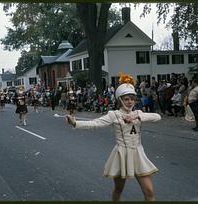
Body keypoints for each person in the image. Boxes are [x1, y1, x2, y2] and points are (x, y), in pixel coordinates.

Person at [66, 73, 161, 201]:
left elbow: (157, 117)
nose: (130, 102)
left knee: (149, 192)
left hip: (138, 153)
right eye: (126, 99)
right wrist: (75, 123)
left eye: (132, 99)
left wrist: (137, 116)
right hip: (122, 154)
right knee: (118, 190)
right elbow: (95, 123)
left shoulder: (138, 113)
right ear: (120, 100)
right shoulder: (114, 115)